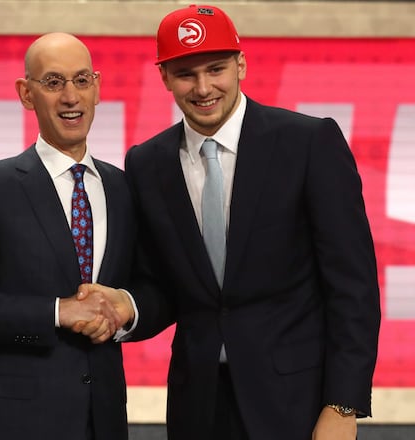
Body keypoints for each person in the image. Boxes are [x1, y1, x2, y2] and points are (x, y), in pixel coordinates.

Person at [80, 4, 381, 440]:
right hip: (198, 405)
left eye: (216, 69)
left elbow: (353, 285)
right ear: (164, 76)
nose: (203, 87)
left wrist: (344, 404)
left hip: (298, 402)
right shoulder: (147, 163)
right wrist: (128, 308)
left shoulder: (308, 142)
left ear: (241, 64)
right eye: (185, 73)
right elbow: (164, 285)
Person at [0, 33, 135, 440]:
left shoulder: (125, 189)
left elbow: (154, 289)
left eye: (82, 80)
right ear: (26, 94)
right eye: (54, 83)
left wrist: (126, 308)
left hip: (104, 422)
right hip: (13, 424)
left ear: (98, 88)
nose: (71, 97)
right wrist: (57, 312)